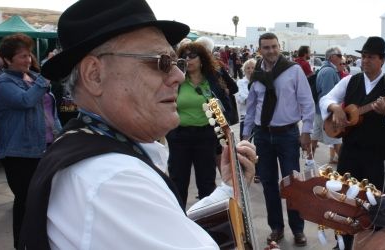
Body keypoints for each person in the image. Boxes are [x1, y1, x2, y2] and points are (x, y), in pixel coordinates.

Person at [16, 1, 259, 250]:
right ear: (94, 75)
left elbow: (168, 226)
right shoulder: (113, 179)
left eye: (179, 63)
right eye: (161, 62)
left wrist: (229, 188)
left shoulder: (88, 149)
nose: (178, 76)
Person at [319, 36, 385, 250]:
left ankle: (369, 244)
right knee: (343, 197)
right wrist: (336, 109)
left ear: (381, 60)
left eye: (370, 57)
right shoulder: (350, 81)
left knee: (373, 201)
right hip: (350, 151)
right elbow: (326, 99)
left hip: (376, 154)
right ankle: (343, 243)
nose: (365, 61)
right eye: (363, 56)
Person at [242, 32, 315, 246]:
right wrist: (246, 135)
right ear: (259, 50)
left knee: (292, 183)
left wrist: (306, 131)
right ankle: (276, 227)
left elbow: (307, 102)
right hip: (263, 135)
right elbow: (253, 106)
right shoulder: (256, 74)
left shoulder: (294, 71)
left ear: (279, 47)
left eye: (274, 46)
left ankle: (298, 229)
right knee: (268, 184)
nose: (271, 51)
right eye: (266, 47)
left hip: (287, 134)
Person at [0, 33, 62, 248]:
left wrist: (59, 133)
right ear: (7, 59)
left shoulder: (32, 76)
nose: (28, 60)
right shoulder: (3, 82)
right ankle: (21, 245)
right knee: (26, 201)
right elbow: (25, 101)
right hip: (19, 153)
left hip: (45, 147)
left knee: (42, 201)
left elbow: (50, 109)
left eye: (29, 55)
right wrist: (44, 78)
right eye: (22, 56)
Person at [166, 42, 235, 205]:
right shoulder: (178, 80)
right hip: (179, 136)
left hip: (206, 136)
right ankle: (178, 220)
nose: (188, 60)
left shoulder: (211, 79)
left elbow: (227, 105)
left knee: (206, 182)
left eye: (192, 56)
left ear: (201, 59)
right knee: (177, 181)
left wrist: (220, 113)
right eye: (184, 57)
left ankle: (207, 222)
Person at [310, 47, 344, 166]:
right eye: (339, 55)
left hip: (319, 111)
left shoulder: (325, 69)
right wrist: (333, 112)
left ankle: (309, 162)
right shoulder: (329, 72)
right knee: (336, 140)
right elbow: (328, 95)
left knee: (314, 138)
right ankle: (346, 165)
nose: (341, 57)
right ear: (332, 57)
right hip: (326, 113)